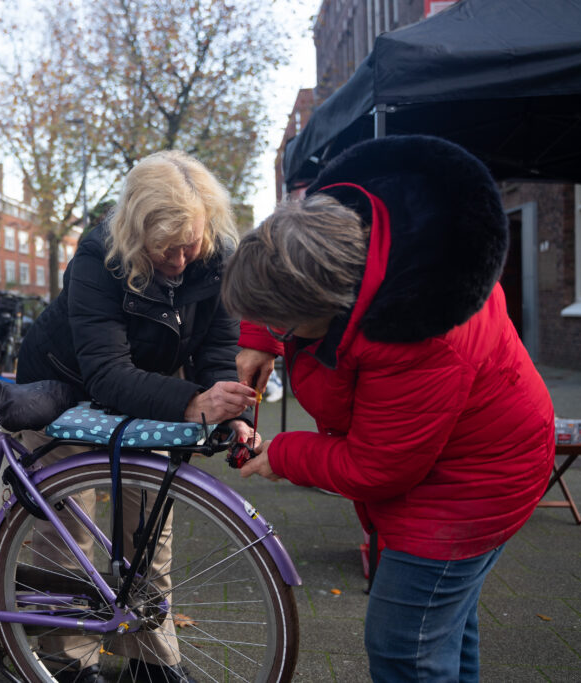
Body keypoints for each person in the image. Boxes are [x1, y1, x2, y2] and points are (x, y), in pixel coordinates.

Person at [221, 135, 555, 682]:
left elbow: (379, 465)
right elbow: (278, 256)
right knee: (442, 630)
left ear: (324, 307)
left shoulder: (420, 338)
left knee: (405, 646)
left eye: (283, 323)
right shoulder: (338, 231)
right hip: (454, 455)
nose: (282, 334)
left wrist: (285, 454)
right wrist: (262, 336)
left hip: (474, 483)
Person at [15, 150, 259, 683]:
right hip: (62, 386)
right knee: (67, 523)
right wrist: (192, 402)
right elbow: (105, 373)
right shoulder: (98, 256)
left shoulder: (219, 254)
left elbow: (218, 349)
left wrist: (224, 409)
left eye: (186, 244)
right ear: (133, 232)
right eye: (162, 248)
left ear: (207, 225)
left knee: (149, 520)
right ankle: (66, 658)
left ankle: (148, 659)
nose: (177, 260)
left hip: (147, 387)